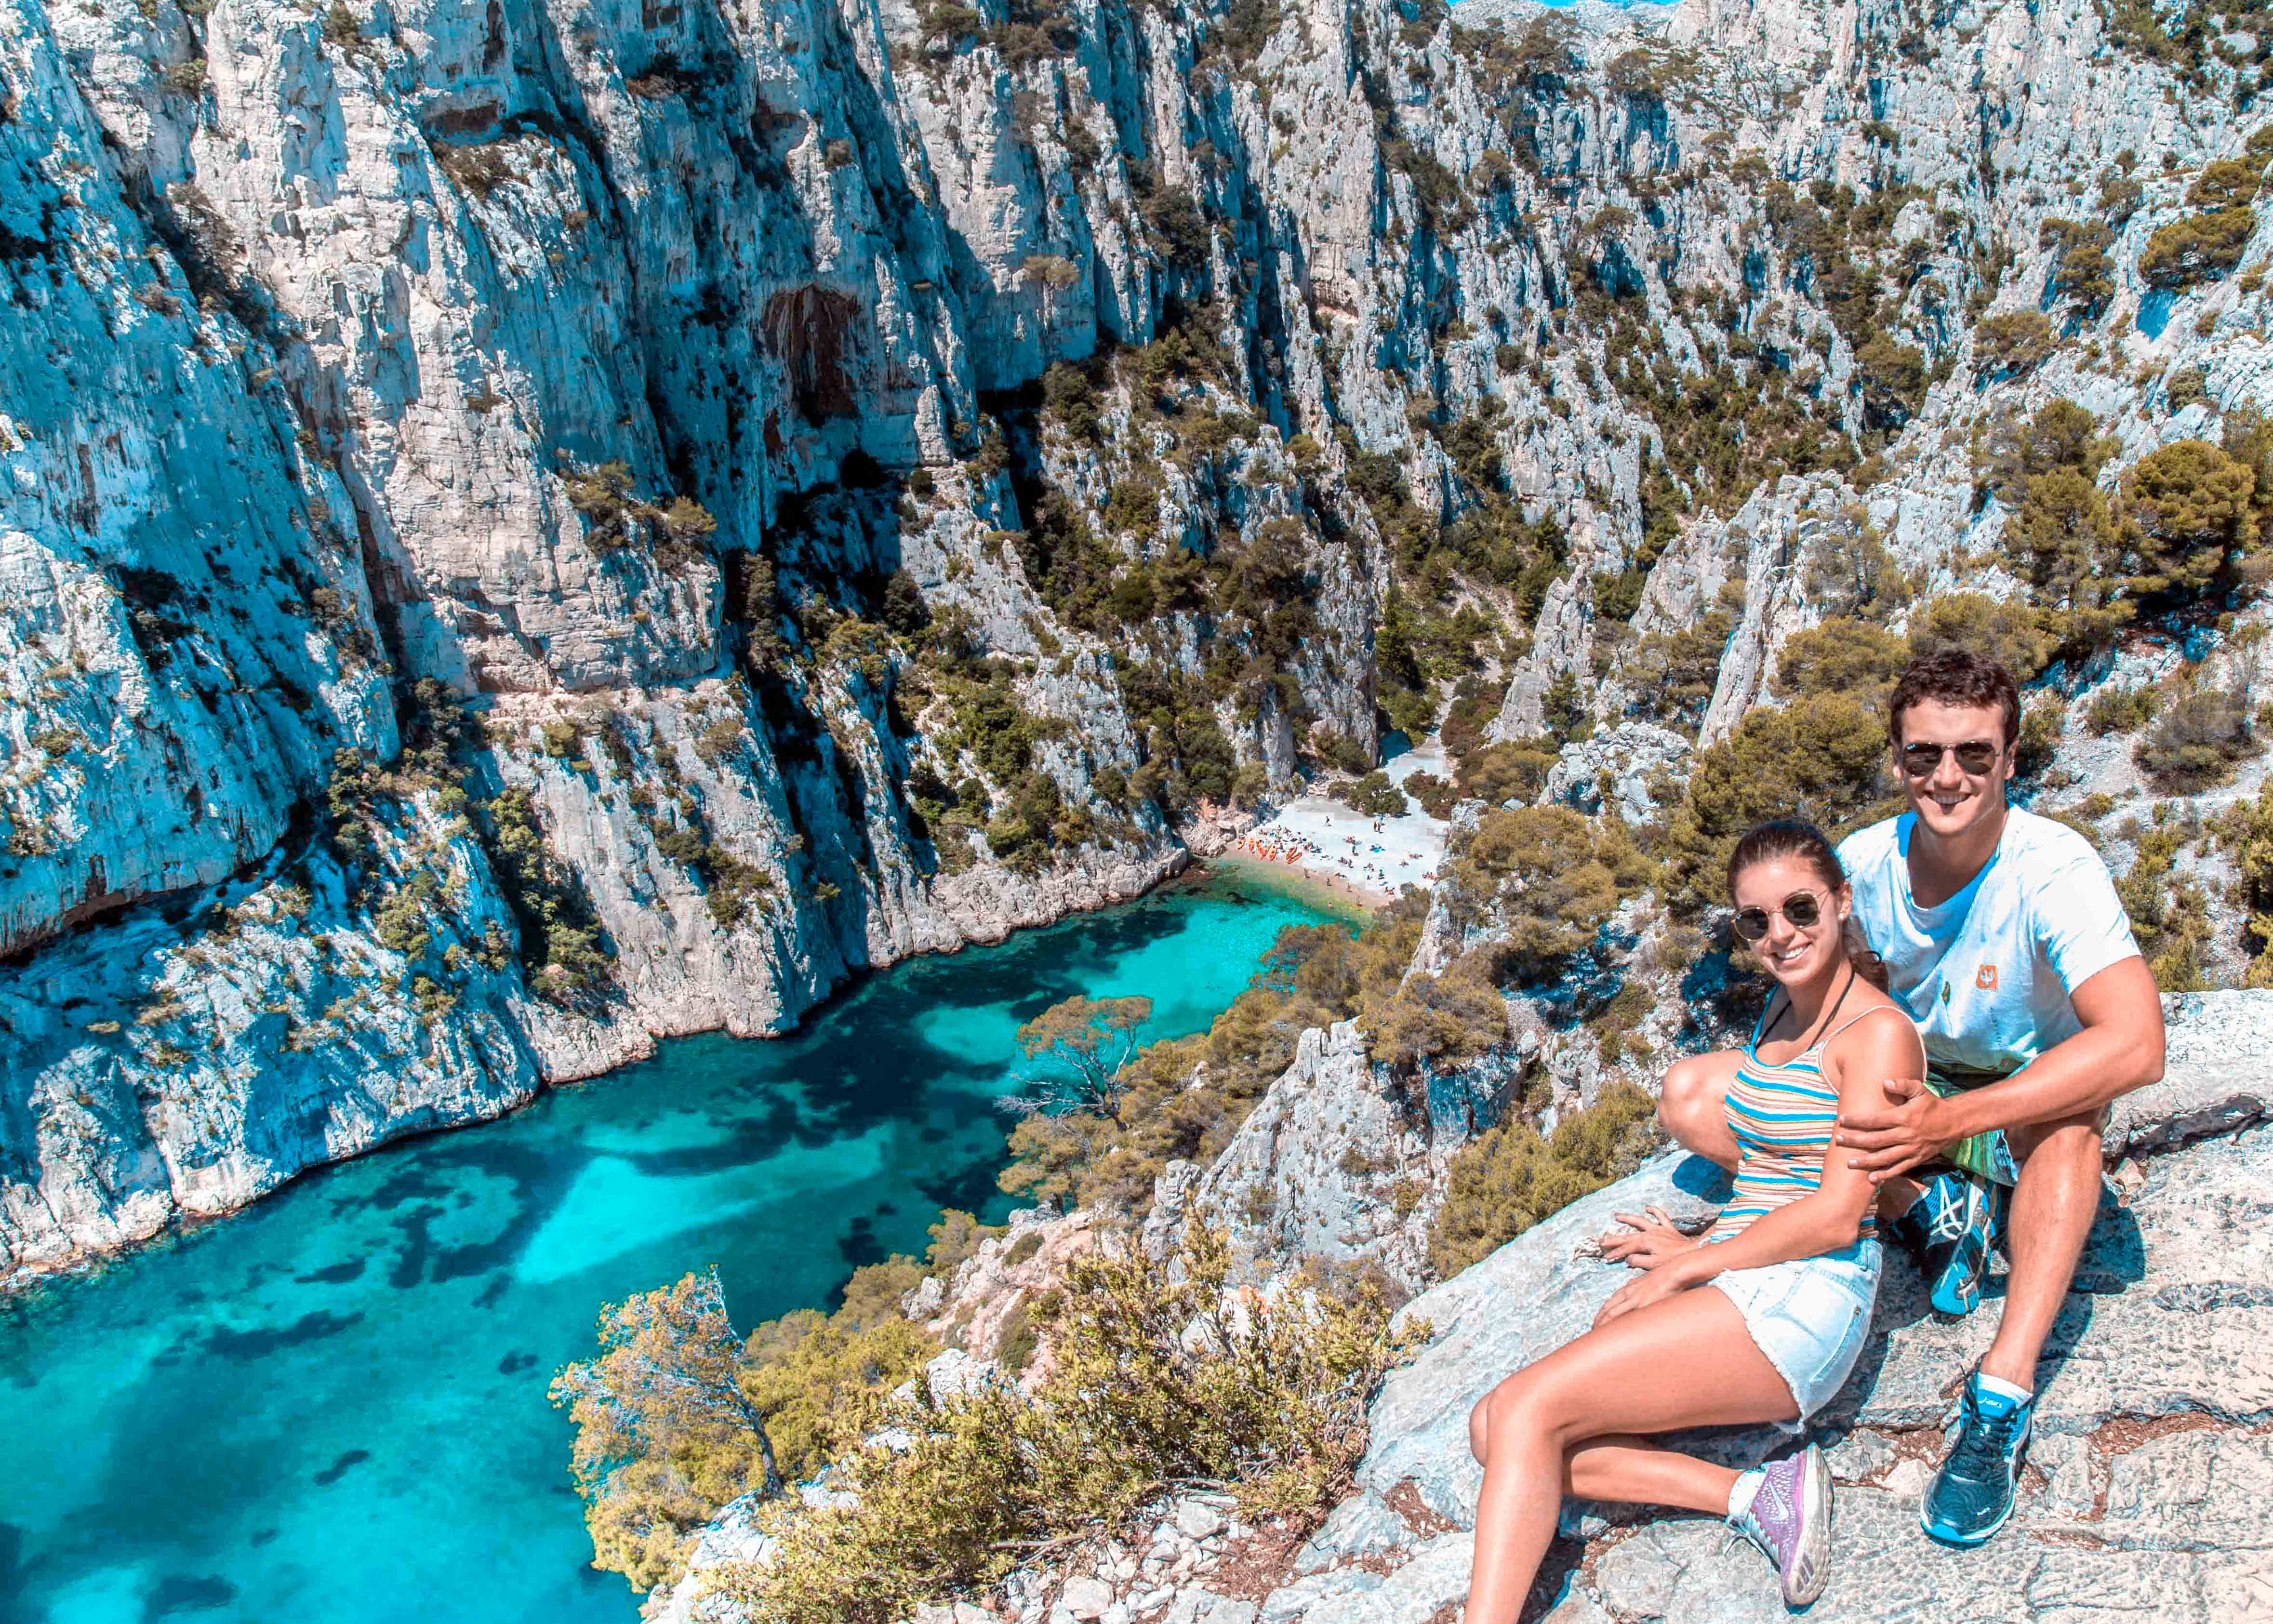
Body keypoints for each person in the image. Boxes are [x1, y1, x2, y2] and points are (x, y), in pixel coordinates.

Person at [1657, 648, 2165, 1549]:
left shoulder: (2053, 868)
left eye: (1974, 752)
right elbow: (1825, 1005)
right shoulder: (1865, 862)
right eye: (1925, 753)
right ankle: (1928, 1202)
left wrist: (1952, 1119)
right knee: (1695, 1096)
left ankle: (2000, 1397)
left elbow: (2135, 1043)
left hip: (2013, 1095)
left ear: (2010, 757)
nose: (1949, 776)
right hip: (1908, 1083)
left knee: (2071, 1129)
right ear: (1897, 760)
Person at [1463, 820, 1924, 1619]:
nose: (1780, 934)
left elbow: (1837, 1215)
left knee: (1526, 1415)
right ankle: (1757, 1494)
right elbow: (1777, 1168)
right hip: (1748, 1270)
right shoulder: (1785, 1009)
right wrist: (1700, 1241)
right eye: (1757, 920)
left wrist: (1688, 1265)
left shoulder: (1876, 1034)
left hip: (1805, 1296)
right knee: (1492, 1428)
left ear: (1841, 903)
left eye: (1800, 909)